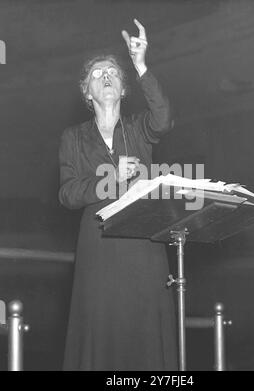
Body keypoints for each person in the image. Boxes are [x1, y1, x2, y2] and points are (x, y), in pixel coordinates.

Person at [59, 19, 178, 371]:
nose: (106, 76)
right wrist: (108, 178)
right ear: (87, 92)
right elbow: (67, 192)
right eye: (97, 74)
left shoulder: (140, 128)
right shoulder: (73, 137)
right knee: (101, 336)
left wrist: (140, 65)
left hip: (143, 246)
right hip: (98, 249)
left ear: (124, 89)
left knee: (146, 340)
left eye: (112, 71)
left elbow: (165, 118)